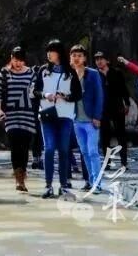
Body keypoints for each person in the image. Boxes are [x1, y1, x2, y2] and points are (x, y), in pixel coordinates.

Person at [35, 39, 81, 198]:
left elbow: (78, 94)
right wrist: (45, 95)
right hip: (47, 114)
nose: (49, 54)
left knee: (63, 149)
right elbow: (34, 91)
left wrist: (65, 96)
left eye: (52, 51)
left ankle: (63, 185)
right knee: (49, 149)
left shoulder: (70, 72)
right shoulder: (43, 70)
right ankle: (48, 185)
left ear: (59, 53)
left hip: (65, 115)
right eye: (47, 51)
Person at [0, 46, 37, 193]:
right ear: (11, 59)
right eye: (15, 60)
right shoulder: (5, 72)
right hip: (11, 115)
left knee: (24, 147)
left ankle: (22, 174)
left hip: (27, 115)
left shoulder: (31, 73)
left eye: (20, 61)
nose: (17, 63)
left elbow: (35, 91)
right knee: (15, 145)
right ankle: (19, 179)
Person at [70, 44, 104, 191]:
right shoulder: (68, 75)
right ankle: (91, 180)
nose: (77, 58)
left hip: (91, 120)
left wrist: (97, 116)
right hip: (76, 120)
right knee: (84, 152)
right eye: (74, 56)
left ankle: (97, 183)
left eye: (79, 56)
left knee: (93, 151)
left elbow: (99, 96)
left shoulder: (93, 74)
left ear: (84, 58)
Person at [94, 52, 130, 168]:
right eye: (97, 59)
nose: (99, 61)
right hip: (102, 108)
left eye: (101, 58)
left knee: (121, 135)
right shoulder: (94, 75)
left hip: (117, 106)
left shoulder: (116, 72)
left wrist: (127, 103)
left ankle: (124, 162)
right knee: (105, 136)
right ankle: (107, 162)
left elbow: (123, 89)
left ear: (107, 60)